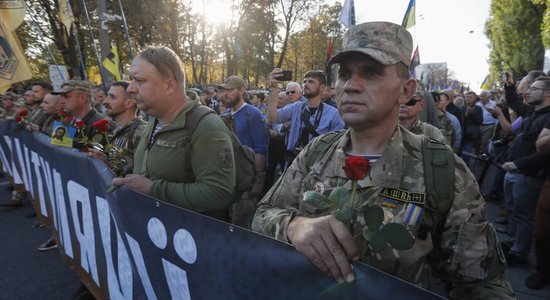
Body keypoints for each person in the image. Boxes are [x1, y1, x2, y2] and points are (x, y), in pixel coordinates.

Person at [253, 21, 515, 299]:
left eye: (371, 72)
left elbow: (480, 283)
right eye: (344, 73)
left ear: (405, 90)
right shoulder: (318, 150)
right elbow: (263, 214)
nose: (351, 85)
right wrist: (294, 226)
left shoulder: (441, 169)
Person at [111, 45, 235, 220]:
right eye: (131, 80)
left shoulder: (207, 126)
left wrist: (153, 189)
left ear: (170, 85)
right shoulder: (154, 119)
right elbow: (152, 169)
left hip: (189, 239)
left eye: (139, 81)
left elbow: (219, 192)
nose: (130, 88)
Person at [501, 75, 550, 266]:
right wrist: (509, 84)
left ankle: (519, 253)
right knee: (514, 211)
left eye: (533, 88)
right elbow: (513, 100)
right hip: (514, 172)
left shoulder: (548, 118)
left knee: (524, 216)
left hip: (529, 176)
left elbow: (545, 153)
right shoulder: (531, 111)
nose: (528, 92)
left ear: (547, 93)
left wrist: (518, 164)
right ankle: (511, 243)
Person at [218, 75, 269, 228]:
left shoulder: (253, 114)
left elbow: (261, 149)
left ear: (241, 90)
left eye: (230, 90)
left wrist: (257, 181)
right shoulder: (224, 116)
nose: (225, 94)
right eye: (224, 90)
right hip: (227, 178)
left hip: (247, 181)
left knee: (241, 224)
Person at [267, 69, 345, 164]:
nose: (306, 84)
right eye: (304, 81)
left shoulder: (333, 114)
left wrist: (311, 152)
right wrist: (274, 88)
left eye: (311, 81)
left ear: (322, 87)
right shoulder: (296, 107)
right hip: (293, 163)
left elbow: (338, 146)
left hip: (317, 167)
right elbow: (272, 117)